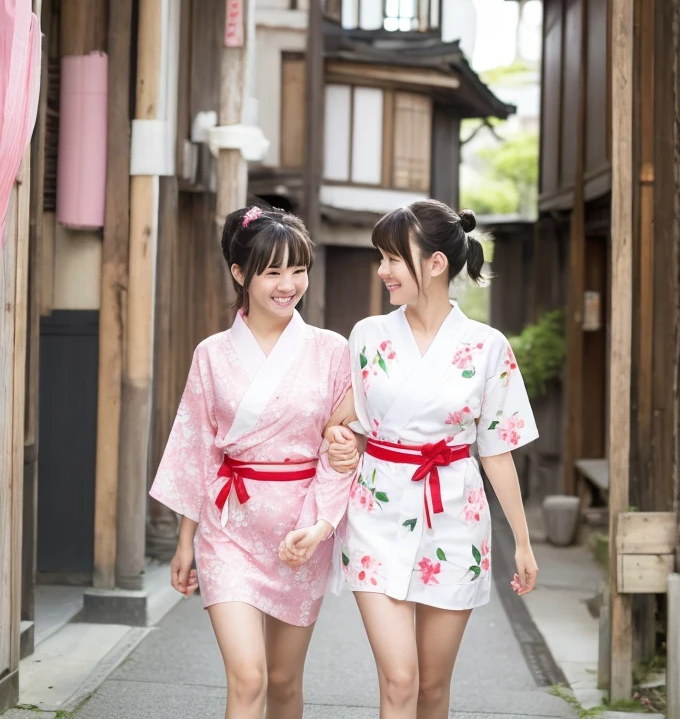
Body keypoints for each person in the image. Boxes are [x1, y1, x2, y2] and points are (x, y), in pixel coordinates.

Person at [326, 200, 539, 719]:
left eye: (393, 259)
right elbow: (338, 419)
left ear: (436, 264)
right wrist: (341, 439)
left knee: (432, 688)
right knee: (400, 680)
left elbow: (497, 452)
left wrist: (525, 545)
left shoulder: (488, 347)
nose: (383, 271)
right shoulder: (367, 335)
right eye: (381, 258)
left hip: (455, 519)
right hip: (376, 512)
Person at [150, 205, 359, 719]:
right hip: (229, 529)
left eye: (298, 269)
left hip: (300, 529)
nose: (288, 284)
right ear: (240, 273)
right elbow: (196, 447)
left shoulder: (332, 351)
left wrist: (322, 524)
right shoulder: (212, 354)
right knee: (249, 677)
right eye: (272, 271)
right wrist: (185, 540)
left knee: (285, 682)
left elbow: (342, 447)